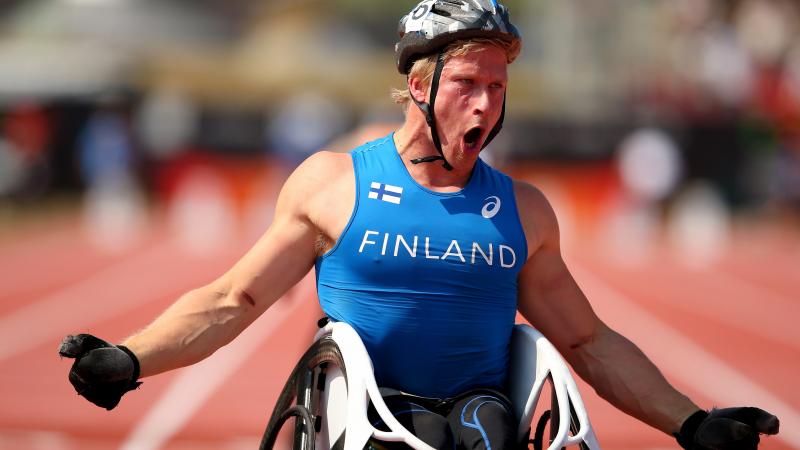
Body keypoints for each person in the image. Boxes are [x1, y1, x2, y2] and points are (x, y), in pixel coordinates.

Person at [59, 1, 780, 449]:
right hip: (361, 412)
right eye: (469, 83)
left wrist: (690, 423)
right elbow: (234, 300)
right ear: (419, 83)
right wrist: (131, 360)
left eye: (498, 87)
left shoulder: (523, 212)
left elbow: (587, 341)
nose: (486, 106)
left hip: (480, 415)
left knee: (482, 430)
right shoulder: (334, 184)